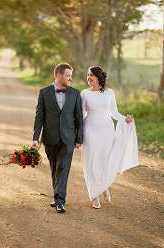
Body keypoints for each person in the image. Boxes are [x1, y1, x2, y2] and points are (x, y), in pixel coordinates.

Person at [81, 66, 138, 209]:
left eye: (91, 75)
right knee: (92, 161)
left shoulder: (109, 93)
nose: (88, 77)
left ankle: (104, 187)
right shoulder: (84, 94)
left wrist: (125, 119)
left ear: (99, 77)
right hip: (90, 131)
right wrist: (78, 134)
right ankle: (94, 195)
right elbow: (81, 115)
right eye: (88, 75)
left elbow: (114, 113)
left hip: (107, 131)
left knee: (105, 161)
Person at [32, 63, 83, 213]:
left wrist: (79, 138)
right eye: (68, 76)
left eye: (71, 76)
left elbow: (79, 117)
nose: (70, 78)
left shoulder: (75, 93)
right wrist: (36, 137)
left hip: (68, 137)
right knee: (54, 167)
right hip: (50, 137)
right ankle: (57, 196)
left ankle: (60, 201)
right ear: (59, 76)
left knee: (63, 167)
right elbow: (39, 117)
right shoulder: (43, 92)